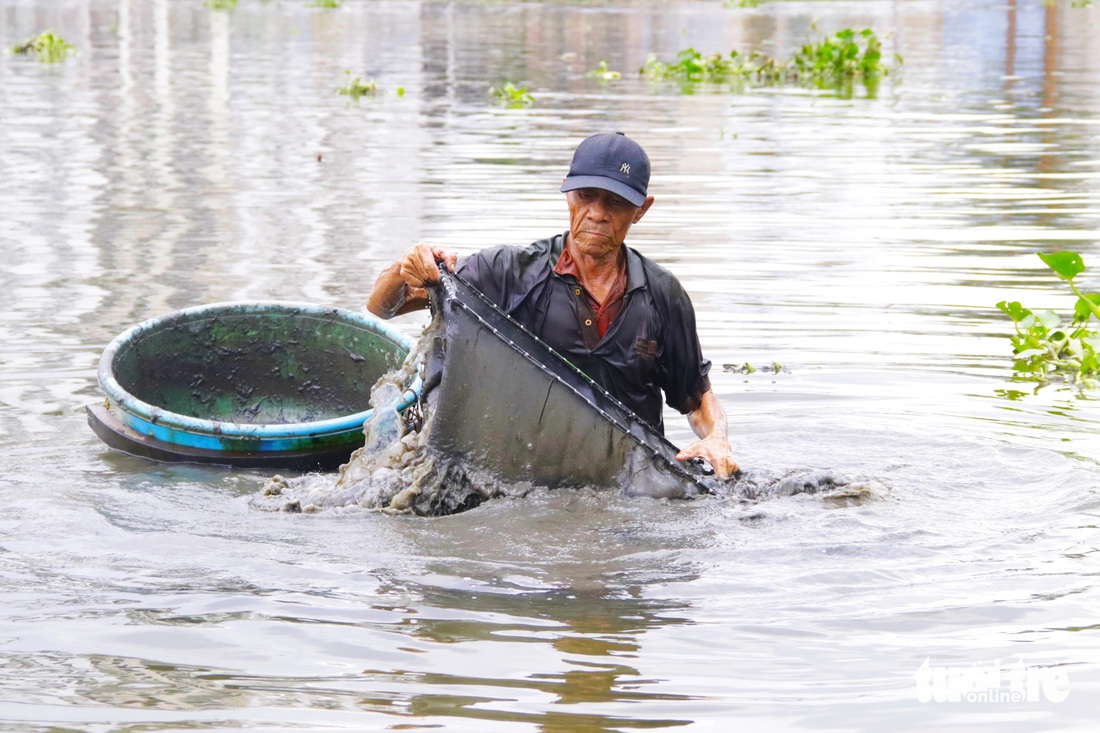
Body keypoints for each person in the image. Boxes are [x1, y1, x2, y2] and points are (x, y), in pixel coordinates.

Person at [367, 132, 739, 478]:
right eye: (586, 196)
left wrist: (716, 439)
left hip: (626, 482)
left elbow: (697, 399)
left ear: (641, 209)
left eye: (616, 202)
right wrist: (406, 267)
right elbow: (383, 307)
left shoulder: (663, 296)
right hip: (526, 476)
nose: (597, 213)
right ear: (567, 195)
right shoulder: (509, 274)